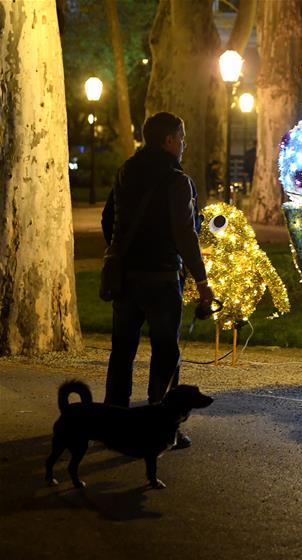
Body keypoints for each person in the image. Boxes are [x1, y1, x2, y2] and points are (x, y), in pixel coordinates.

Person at [101, 112, 215, 450]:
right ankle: (164, 424)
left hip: (126, 276)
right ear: (168, 140)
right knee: (165, 351)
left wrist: (119, 251)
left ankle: (112, 421)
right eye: (181, 138)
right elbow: (186, 235)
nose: (183, 145)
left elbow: (109, 217)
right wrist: (202, 280)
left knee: (122, 350)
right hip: (162, 277)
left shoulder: (126, 171)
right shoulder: (178, 181)